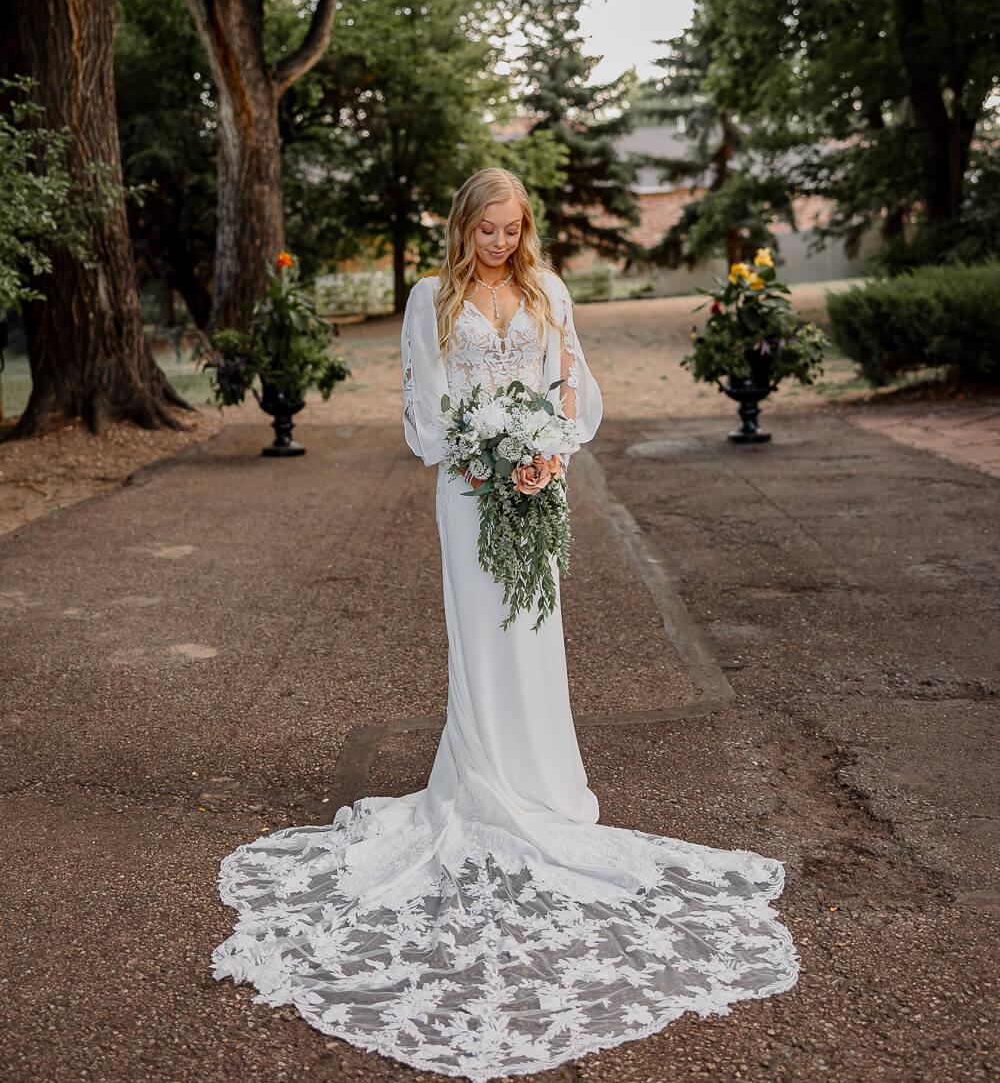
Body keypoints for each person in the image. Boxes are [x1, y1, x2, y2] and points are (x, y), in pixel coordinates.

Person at [212, 167, 799, 1080]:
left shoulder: (546, 289)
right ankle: (480, 777)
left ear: (525, 229)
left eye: (512, 229)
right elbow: (421, 409)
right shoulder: (428, 299)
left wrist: (543, 451)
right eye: (486, 230)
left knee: (535, 632)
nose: (499, 243)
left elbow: (572, 389)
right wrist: (479, 452)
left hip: (534, 485)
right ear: (463, 228)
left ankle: (543, 785)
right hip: (464, 488)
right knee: (480, 634)